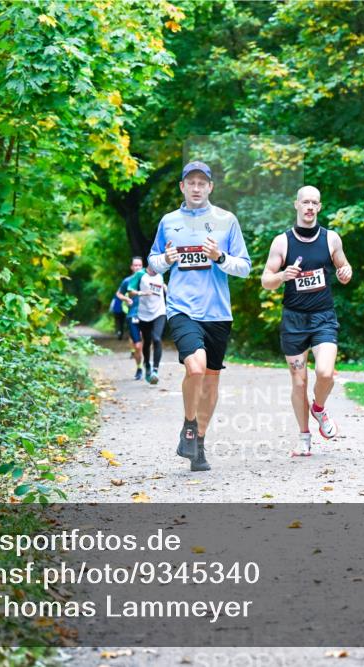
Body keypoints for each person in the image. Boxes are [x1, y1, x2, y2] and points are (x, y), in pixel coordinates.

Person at [148, 160, 251, 472]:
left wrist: (219, 257)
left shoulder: (226, 220)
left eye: (201, 183)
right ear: (182, 187)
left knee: (211, 379)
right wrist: (165, 259)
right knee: (196, 367)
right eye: (190, 182)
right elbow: (154, 262)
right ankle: (189, 425)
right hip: (182, 307)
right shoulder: (169, 221)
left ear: (210, 187)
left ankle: (199, 443)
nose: (196, 188)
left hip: (218, 312)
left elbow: (245, 268)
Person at [260, 185, 352, 456]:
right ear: (296, 205)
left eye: (315, 203)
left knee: (325, 373)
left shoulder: (331, 238)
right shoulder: (282, 242)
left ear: (319, 207)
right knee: (299, 382)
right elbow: (266, 280)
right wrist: (282, 276)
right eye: (305, 202)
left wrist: (346, 272)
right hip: (294, 320)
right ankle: (303, 438)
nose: (310, 207)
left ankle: (319, 409)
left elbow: (343, 267)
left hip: (323, 317)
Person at [133, 262, 167, 384]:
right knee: (146, 342)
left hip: (159, 312)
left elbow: (161, 283)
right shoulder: (140, 275)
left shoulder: (161, 274)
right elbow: (130, 291)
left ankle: (155, 371)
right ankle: (147, 364)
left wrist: (165, 287)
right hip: (144, 313)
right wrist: (142, 293)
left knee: (157, 339)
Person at [115, 257, 145, 380]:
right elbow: (118, 293)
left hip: (148, 314)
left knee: (146, 341)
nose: (137, 267)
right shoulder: (127, 281)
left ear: (142, 266)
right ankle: (139, 367)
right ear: (132, 267)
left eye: (139, 265)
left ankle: (147, 363)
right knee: (137, 346)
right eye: (135, 265)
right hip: (132, 314)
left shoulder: (147, 279)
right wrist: (126, 299)